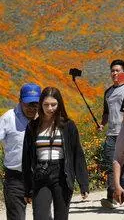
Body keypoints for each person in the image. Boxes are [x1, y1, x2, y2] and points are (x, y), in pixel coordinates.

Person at [22, 87, 89, 220]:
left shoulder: (68, 125)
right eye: (46, 104)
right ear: (41, 104)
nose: (50, 108)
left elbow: (77, 155)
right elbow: (26, 159)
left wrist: (83, 183)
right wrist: (27, 188)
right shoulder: (32, 126)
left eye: (53, 104)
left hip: (62, 174)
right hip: (40, 174)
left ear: (59, 104)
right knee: (40, 216)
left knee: (61, 217)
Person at [0, 83, 42, 220]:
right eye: (28, 104)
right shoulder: (8, 118)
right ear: (20, 101)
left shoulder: (45, 118)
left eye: (35, 104)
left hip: (40, 177)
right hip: (16, 179)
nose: (32, 108)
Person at [99, 59, 124, 209]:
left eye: (118, 70)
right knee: (111, 164)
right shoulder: (108, 92)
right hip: (111, 133)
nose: (115, 73)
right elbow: (106, 112)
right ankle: (112, 197)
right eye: (112, 71)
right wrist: (102, 124)